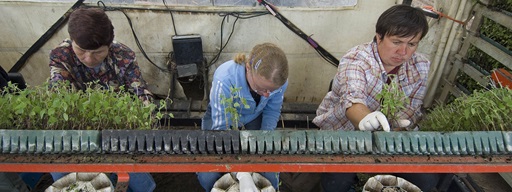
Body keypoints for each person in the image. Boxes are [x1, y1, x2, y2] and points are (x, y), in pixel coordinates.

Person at [312, 4, 440, 192]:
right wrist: (365, 118)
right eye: (396, 42)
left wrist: (397, 127)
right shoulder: (357, 59)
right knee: (337, 184)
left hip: (389, 142)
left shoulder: (420, 66)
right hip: (343, 136)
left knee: (426, 181)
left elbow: (412, 107)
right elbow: (352, 100)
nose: (403, 52)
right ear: (379, 37)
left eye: (411, 44)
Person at [47, 7, 155, 192]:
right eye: (81, 51)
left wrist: (147, 112)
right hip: (78, 133)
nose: (89, 58)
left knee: (142, 185)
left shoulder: (123, 56)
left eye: (97, 52)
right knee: (67, 175)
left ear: (109, 44)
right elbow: (60, 96)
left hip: (118, 130)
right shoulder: (61, 55)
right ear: (72, 40)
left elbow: (140, 90)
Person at [197, 42, 289, 191]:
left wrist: (263, 139)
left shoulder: (279, 82)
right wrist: (242, 171)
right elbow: (222, 130)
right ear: (248, 68)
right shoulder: (225, 78)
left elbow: (271, 112)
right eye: (261, 88)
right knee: (208, 176)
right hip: (223, 121)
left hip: (254, 116)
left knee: (270, 174)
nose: (266, 94)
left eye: (271, 91)